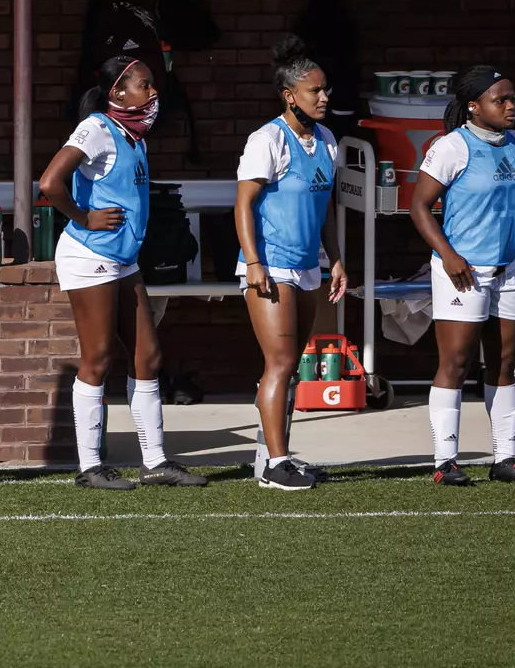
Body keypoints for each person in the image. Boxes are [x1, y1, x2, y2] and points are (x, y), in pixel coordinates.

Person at [40, 55, 207, 490]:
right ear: (117, 92)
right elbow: (49, 183)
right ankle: (89, 466)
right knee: (97, 358)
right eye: (144, 85)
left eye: (152, 86)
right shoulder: (96, 128)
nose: (153, 94)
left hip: (123, 258)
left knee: (148, 355)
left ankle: (154, 462)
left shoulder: (135, 139)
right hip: (88, 254)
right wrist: (83, 217)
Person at [410, 66, 515, 486]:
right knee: (455, 361)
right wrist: (448, 255)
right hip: (463, 271)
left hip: (509, 268)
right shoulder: (451, 147)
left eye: (512, 99)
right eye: (499, 100)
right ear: (474, 106)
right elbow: (419, 206)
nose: (510, 107)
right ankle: (445, 462)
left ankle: (505, 458)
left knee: (506, 361)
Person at [234, 38, 349, 492]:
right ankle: (278, 464)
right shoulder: (267, 139)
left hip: (307, 267)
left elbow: (328, 208)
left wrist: (336, 259)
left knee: (289, 362)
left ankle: (270, 457)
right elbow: (243, 204)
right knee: (280, 362)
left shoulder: (326, 140)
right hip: (271, 265)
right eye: (314, 91)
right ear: (289, 95)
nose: (324, 98)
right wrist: (255, 262)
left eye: (325, 90)